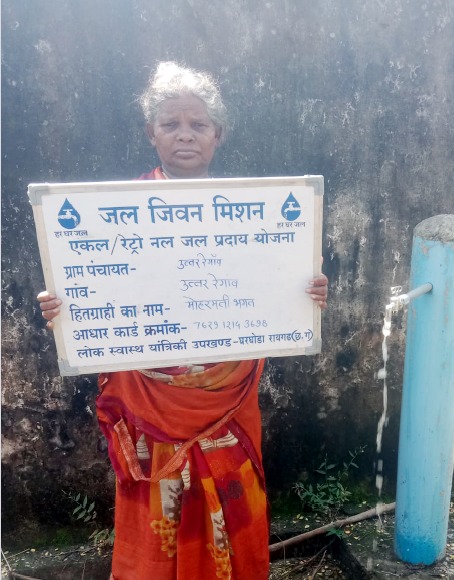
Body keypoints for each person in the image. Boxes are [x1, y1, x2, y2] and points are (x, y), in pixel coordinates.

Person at [37, 61, 328, 580]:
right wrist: (66, 308)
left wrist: (306, 295)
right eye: (171, 124)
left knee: (233, 510)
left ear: (218, 134)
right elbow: (94, 286)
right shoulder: (109, 215)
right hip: (152, 402)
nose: (185, 134)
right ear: (152, 133)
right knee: (159, 525)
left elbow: (276, 285)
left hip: (228, 396)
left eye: (198, 124)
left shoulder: (254, 212)